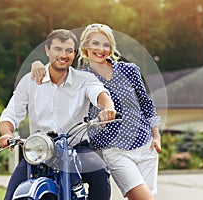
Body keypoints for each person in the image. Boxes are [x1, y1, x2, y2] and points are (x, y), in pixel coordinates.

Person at [31, 24, 162, 200]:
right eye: (96, 44)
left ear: (111, 47)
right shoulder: (80, 77)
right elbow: (56, 72)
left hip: (146, 145)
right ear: (85, 47)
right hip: (114, 150)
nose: (101, 49)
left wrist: (156, 135)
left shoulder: (130, 70)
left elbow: (146, 103)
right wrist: (37, 64)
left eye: (106, 44)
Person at [0, 29, 116, 200]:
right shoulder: (29, 81)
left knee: (100, 174)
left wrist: (107, 109)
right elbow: (10, 114)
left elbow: (99, 94)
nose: (63, 54)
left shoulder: (84, 80)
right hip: (39, 151)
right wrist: (7, 133)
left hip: (77, 148)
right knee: (12, 195)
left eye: (69, 50)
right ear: (47, 50)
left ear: (75, 54)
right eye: (58, 49)